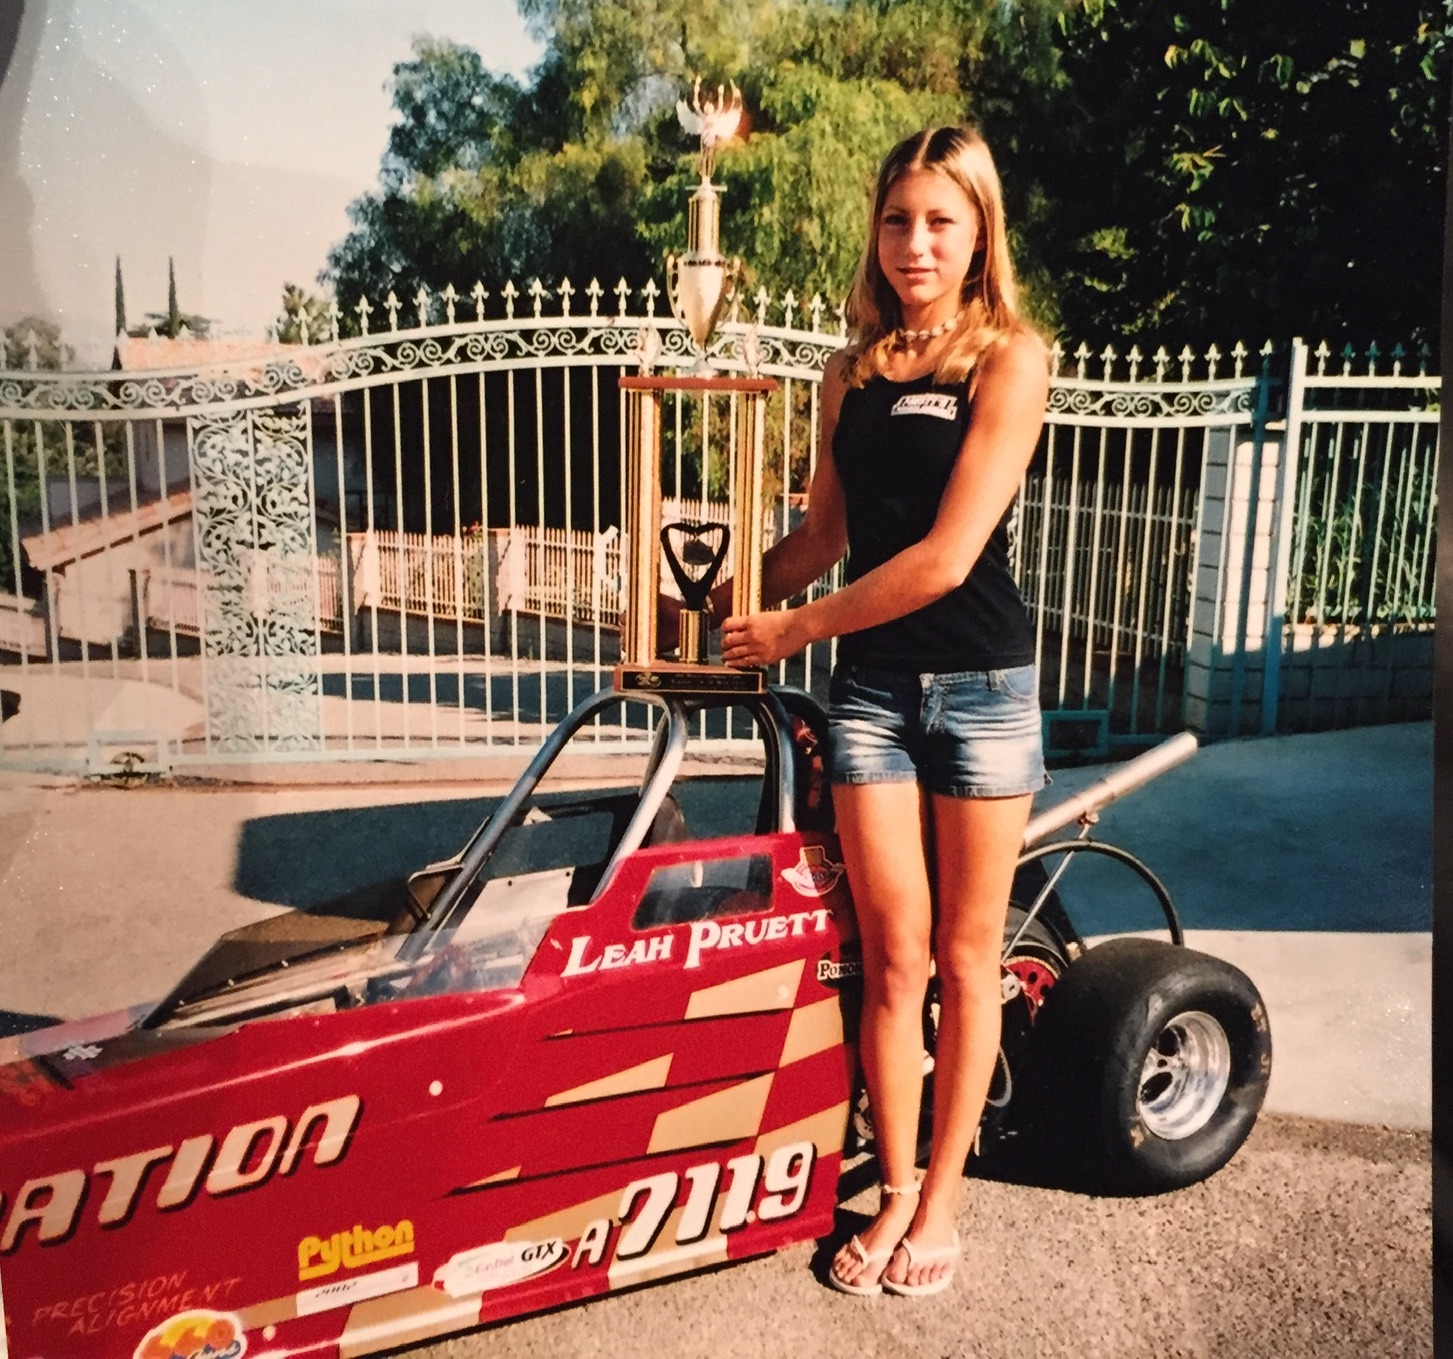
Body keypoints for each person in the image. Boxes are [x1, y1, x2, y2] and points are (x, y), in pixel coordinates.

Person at [713, 124, 1050, 1297]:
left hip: (980, 691)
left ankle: (943, 1205)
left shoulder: (1009, 360)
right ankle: (896, 1186)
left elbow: (950, 558)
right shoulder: (848, 369)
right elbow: (819, 539)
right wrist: (712, 591)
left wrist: (796, 629)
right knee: (893, 959)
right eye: (898, 218)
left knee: (967, 960)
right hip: (868, 699)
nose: (915, 243)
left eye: (940, 222)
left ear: (977, 235)